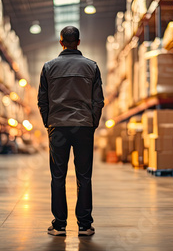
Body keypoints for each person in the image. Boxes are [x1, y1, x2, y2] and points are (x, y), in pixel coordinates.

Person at [38, 26, 104, 236]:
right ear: (79, 42)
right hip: (83, 126)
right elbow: (98, 101)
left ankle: (59, 225)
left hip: (58, 127)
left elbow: (42, 100)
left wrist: (49, 122)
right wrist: (92, 122)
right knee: (84, 176)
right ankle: (84, 225)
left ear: (61, 42)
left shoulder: (49, 67)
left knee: (58, 176)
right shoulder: (91, 67)